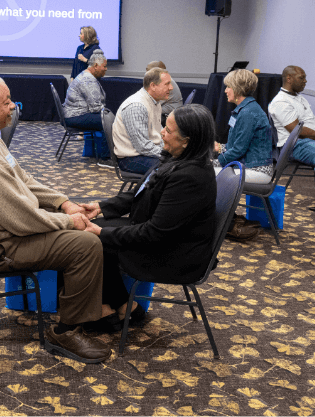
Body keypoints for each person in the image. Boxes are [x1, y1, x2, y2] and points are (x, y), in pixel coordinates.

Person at [0, 75, 113, 364]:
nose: (12, 106)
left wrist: (63, 202)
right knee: (84, 245)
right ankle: (66, 331)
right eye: (6, 102)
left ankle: (89, 308)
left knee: (78, 225)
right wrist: (69, 221)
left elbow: (22, 178)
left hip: (4, 232)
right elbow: (22, 220)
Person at [80, 105, 217, 333]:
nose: (162, 132)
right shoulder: (178, 160)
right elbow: (141, 192)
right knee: (94, 232)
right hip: (163, 236)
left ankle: (107, 310)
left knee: (93, 241)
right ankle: (126, 306)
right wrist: (101, 207)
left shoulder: (190, 177)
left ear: (186, 140)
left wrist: (102, 233)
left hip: (174, 253)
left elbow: (154, 233)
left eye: (169, 130)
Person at [269, 65, 315, 199]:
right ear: (289, 79)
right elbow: (297, 131)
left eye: (305, 78)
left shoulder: (300, 98)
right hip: (293, 145)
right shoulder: (280, 101)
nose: (305, 81)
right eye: (301, 78)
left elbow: (312, 123)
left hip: (309, 142)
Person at [214, 69, 272, 183]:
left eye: (228, 87)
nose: (225, 91)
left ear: (237, 88)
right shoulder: (247, 109)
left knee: (204, 172)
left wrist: (214, 162)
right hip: (250, 166)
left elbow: (238, 150)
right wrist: (219, 148)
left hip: (256, 171)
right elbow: (240, 146)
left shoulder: (247, 113)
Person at [112, 67, 173, 174]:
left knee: (181, 163)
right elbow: (142, 146)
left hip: (145, 153)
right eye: (167, 84)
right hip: (131, 159)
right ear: (153, 86)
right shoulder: (137, 106)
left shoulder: (155, 102)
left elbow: (159, 133)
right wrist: (169, 154)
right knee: (175, 168)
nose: (171, 87)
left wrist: (172, 149)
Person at [63, 52, 109, 163]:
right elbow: (96, 108)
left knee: (106, 118)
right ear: (96, 66)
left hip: (72, 114)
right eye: (104, 66)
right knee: (107, 121)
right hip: (75, 116)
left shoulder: (85, 75)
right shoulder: (88, 80)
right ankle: (106, 158)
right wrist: (110, 114)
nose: (106, 69)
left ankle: (95, 153)